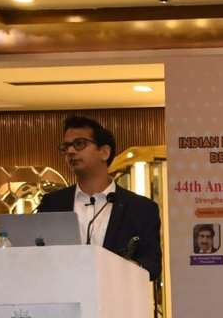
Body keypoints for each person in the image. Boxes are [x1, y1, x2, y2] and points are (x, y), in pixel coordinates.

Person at [37, 115, 162, 280]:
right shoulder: (52, 203)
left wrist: (125, 267)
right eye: (66, 147)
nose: (71, 151)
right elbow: (37, 255)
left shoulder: (141, 208)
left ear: (104, 152)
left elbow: (152, 265)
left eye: (79, 144)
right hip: (64, 292)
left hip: (117, 292)